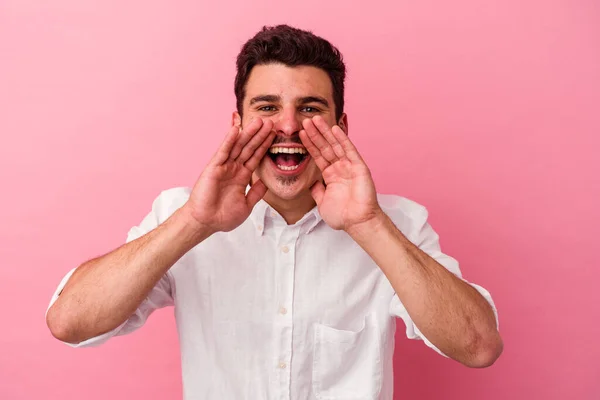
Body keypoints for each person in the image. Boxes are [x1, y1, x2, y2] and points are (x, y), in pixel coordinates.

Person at [46, 24, 503, 399]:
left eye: (310, 108)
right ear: (238, 124)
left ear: (341, 127)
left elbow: (479, 347)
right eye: (267, 107)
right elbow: (70, 322)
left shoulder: (395, 223)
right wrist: (194, 223)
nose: (287, 125)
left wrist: (369, 226)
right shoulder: (179, 213)